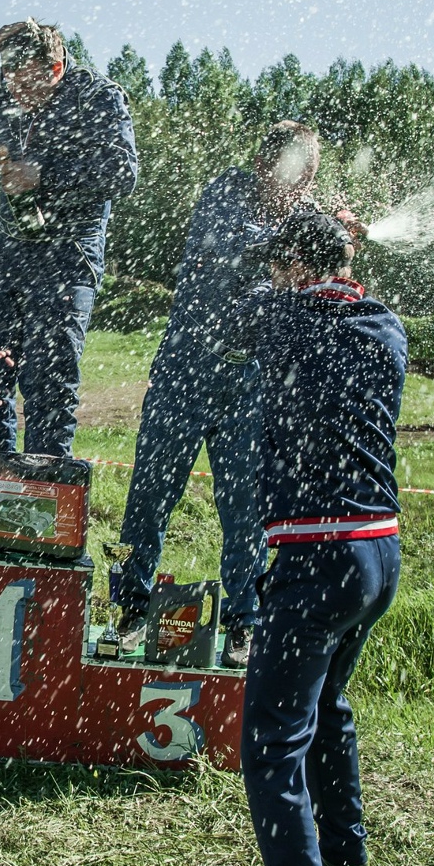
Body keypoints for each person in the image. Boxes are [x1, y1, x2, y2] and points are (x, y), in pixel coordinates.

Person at [218, 209, 406, 866]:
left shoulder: (284, 321)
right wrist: (330, 242)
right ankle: (344, 854)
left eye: (278, 265)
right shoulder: (385, 326)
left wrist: (289, 256)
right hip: (379, 552)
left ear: (296, 269)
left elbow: (232, 312)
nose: (269, 276)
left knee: (270, 745)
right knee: (329, 704)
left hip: (319, 559)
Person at [112, 121, 322, 669]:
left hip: (250, 381)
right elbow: (229, 260)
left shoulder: (304, 218)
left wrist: (330, 242)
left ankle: (243, 623)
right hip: (187, 368)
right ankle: (130, 609)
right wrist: (295, 243)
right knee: (151, 495)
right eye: (296, 174)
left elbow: (309, 290)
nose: (302, 187)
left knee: (246, 510)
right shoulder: (227, 192)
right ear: (265, 165)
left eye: (310, 177)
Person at [0, 19, 137, 457]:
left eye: (27, 84)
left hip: (68, 253)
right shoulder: (5, 83)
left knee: (48, 379)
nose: (17, 92)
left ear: (55, 69)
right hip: (8, 249)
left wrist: (44, 174)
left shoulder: (96, 94)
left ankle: (44, 488)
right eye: (10, 80)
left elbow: (123, 173)